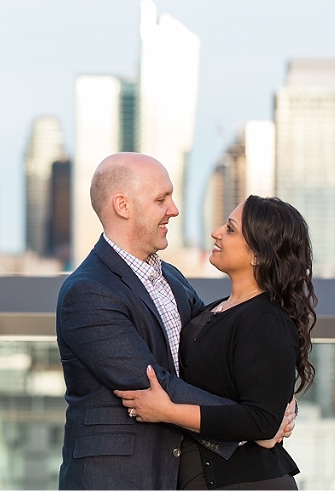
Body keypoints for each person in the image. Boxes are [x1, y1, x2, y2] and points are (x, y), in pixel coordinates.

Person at [56, 153, 293, 490]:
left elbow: (210, 353)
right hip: (118, 479)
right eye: (161, 199)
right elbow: (153, 383)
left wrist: (269, 405)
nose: (174, 209)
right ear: (123, 206)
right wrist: (256, 423)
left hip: (184, 473)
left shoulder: (173, 278)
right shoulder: (88, 292)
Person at [116, 195, 315, 490]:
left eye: (231, 229)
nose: (216, 232)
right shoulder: (216, 309)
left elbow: (261, 419)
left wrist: (167, 411)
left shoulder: (266, 319)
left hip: (247, 483)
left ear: (258, 254)